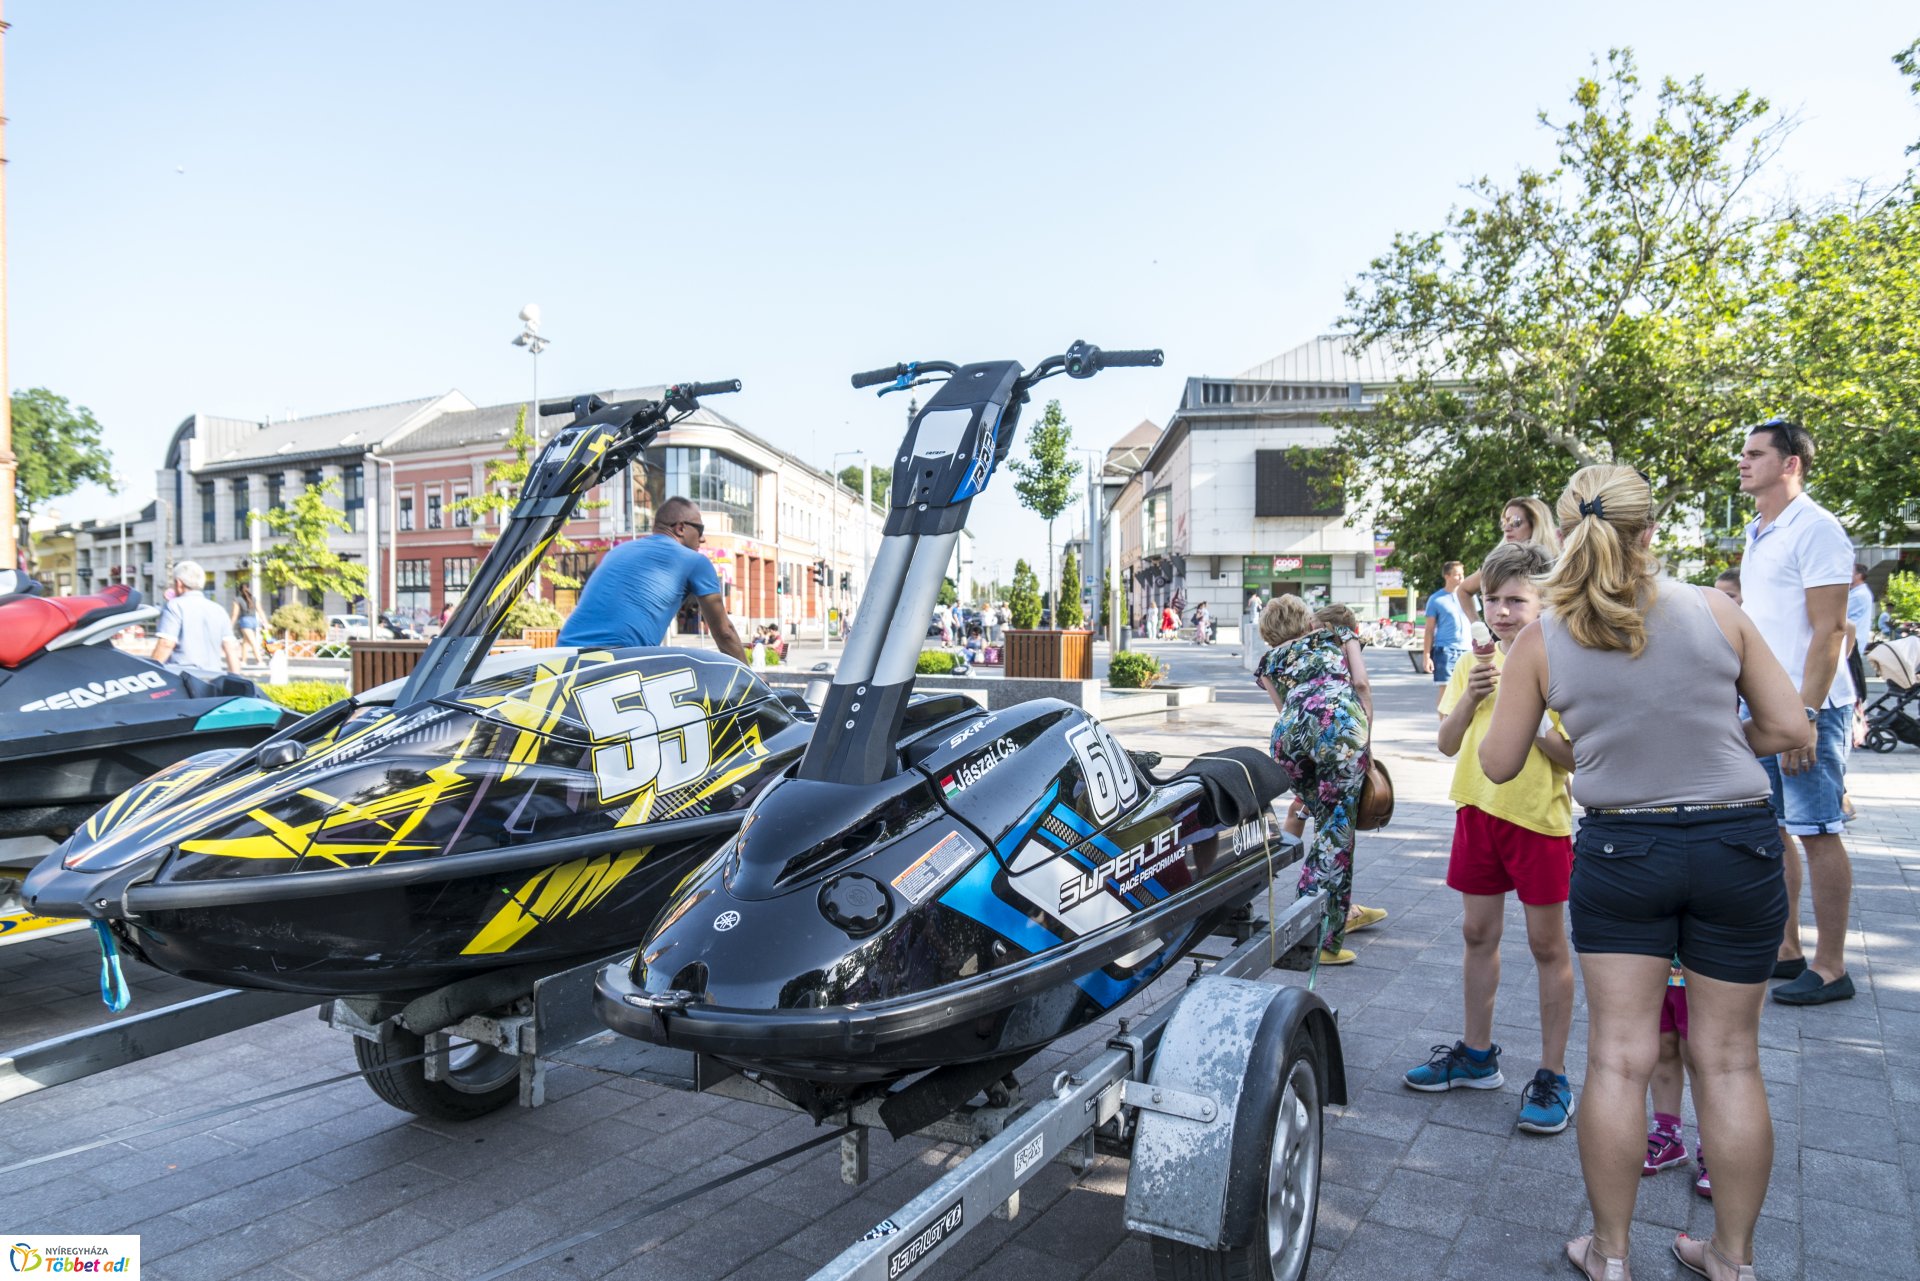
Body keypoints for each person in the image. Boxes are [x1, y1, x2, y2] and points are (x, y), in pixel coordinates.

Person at [1479, 463, 1808, 1281]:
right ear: (1651, 528)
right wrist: (1718, 746)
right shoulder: (1715, 610)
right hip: (1737, 844)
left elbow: (1497, 760)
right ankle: (1730, 1260)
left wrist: (1588, 739)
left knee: (1618, 1057)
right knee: (1729, 1057)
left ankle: (1611, 1253)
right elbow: (1789, 723)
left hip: (1623, 851)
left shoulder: (1542, 635)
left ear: (1561, 535)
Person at [1403, 541, 1578, 1135]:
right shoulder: (1472, 664)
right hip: (1478, 810)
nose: (1502, 612)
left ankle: (1553, 1075)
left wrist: (1522, 713)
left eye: (1517, 600)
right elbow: (1448, 742)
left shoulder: (1562, 663)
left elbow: (1573, 754)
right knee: (1478, 933)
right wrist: (1477, 697)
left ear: (1544, 604)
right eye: (1493, 600)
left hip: (1538, 821)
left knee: (1547, 945)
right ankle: (1477, 1057)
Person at [1736, 419, 1856, 1006]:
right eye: (1743, 453)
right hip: (1764, 701)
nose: (1743, 461)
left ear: (1791, 464)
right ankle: (1787, 950)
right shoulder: (1759, 528)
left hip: (1811, 708)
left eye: (1756, 453)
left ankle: (1833, 967)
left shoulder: (1818, 529)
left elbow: (1832, 630)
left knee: (1819, 832)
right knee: (1772, 828)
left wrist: (1804, 715)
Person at [1256, 595, 1373, 966]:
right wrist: (1365, 731)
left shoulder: (1267, 662)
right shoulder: (1334, 634)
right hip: (1338, 726)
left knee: (1327, 825)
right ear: (1308, 621)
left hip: (1288, 737)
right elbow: (1361, 683)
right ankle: (1314, 939)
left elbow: (1285, 708)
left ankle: (1332, 920)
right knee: (1336, 833)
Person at [558, 497, 747, 662]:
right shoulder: (694, 561)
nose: (703, 538)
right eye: (700, 529)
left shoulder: (618, 551)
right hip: (614, 661)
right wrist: (752, 682)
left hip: (562, 655)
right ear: (680, 528)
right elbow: (724, 632)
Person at [1644, 962, 1711, 1200]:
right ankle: (1667, 1134)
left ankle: (1713, 1147)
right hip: (1655, 966)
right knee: (1662, 1047)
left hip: (1701, 973)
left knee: (1700, 1056)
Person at [1456, 496, 1563, 626]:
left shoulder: (1560, 563)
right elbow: (1463, 590)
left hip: (1544, 640)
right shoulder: (1497, 565)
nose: (1507, 528)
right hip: (1503, 642)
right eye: (1504, 522)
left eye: (1515, 521)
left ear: (1535, 523)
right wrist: (1477, 626)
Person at [151, 561, 241, 674]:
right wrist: (237, 679)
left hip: (181, 678)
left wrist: (148, 671)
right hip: (212, 678)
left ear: (179, 583)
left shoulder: (175, 606)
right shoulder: (219, 610)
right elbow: (231, 649)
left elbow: (166, 644)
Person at [1422, 561, 1469, 686]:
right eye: (1457, 574)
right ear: (1447, 576)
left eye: (1462, 574)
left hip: (1468, 650)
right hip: (1446, 651)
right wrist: (1427, 656)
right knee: (1446, 692)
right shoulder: (1436, 599)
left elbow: (1476, 622)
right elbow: (1429, 630)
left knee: (1470, 691)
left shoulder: (1469, 596)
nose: (1461, 578)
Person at [230, 583, 266, 664]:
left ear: (239, 590)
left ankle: (260, 661)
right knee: (245, 642)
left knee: (253, 642)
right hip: (253, 621)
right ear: (249, 588)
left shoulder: (237, 599)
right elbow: (260, 611)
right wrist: (265, 623)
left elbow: (235, 614)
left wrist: (230, 625)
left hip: (245, 621)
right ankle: (243, 660)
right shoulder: (254, 599)